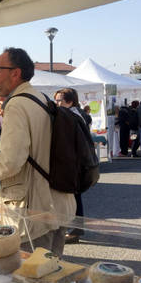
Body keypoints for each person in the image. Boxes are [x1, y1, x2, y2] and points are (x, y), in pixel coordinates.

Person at [0, 47, 75, 256]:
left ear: (16, 73)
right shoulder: (41, 99)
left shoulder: (17, 104)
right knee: (49, 276)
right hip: (57, 205)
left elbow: (10, 162)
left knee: (28, 282)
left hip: (32, 213)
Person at [54, 88, 87, 244]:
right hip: (78, 162)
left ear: (70, 101)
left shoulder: (70, 116)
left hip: (74, 163)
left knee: (72, 197)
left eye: (60, 100)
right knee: (75, 196)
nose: (57, 103)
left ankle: (75, 229)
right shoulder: (78, 114)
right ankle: (75, 228)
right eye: (56, 100)